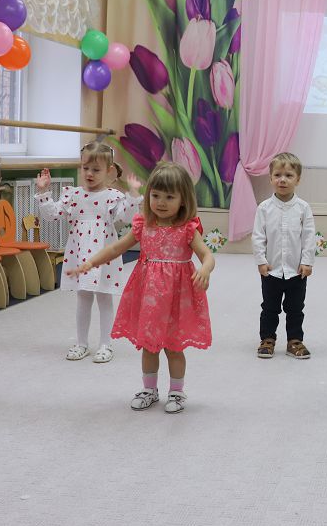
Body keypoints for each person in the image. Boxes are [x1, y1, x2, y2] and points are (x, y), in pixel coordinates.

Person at [68, 162, 214, 414]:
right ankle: (149, 389)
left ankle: (177, 392)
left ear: (183, 200)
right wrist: (91, 262)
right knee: (149, 346)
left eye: (170, 197)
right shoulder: (143, 224)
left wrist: (205, 270)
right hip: (149, 297)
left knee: (174, 347)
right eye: (155, 195)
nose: (161, 202)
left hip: (177, 298)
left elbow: (207, 255)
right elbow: (116, 248)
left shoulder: (188, 229)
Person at [36, 143, 141, 363]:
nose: (89, 174)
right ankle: (82, 343)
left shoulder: (112, 196)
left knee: (104, 297)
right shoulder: (72, 194)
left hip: (104, 257)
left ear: (109, 170)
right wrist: (44, 191)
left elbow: (127, 217)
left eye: (96, 169)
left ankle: (105, 344)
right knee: (83, 298)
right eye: (85, 168)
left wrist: (133, 194)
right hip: (80, 255)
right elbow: (51, 215)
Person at [252, 152, 316, 360]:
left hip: (296, 271)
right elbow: (258, 236)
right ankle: (267, 339)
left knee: (295, 308)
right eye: (277, 175)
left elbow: (308, 237)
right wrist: (261, 261)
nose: (282, 180)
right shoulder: (264, 208)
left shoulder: (303, 208)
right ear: (270, 178)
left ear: (298, 179)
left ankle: (294, 341)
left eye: (289, 175)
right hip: (271, 270)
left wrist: (307, 262)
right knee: (269, 308)